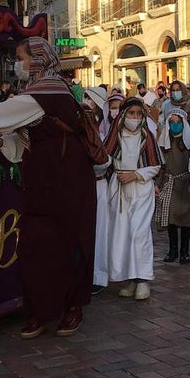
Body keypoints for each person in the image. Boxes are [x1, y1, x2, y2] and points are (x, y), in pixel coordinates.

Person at [0, 36, 96, 338]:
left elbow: (0, 115)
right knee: (36, 243)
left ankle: (72, 307)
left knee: (69, 240)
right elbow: (32, 133)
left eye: (21, 58)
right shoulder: (39, 91)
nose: (17, 64)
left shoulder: (46, 90)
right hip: (43, 176)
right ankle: (40, 309)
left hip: (66, 176)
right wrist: (1, 142)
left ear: (36, 59)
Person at [103, 98, 160, 300]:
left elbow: (155, 165)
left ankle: (143, 279)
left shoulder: (148, 137)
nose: (134, 118)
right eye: (131, 113)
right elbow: (104, 159)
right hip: (118, 190)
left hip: (141, 189)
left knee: (139, 234)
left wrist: (135, 175)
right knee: (122, 235)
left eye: (138, 114)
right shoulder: (114, 136)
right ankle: (129, 279)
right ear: (123, 115)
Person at [82, 87, 112, 294]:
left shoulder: (107, 131)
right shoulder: (80, 128)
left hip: (100, 184)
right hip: (81, 186)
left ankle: (97, 276)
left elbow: (106, 161)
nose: (87, 103)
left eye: (91, 100)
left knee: (100, 231)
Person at [157, 109, 190, 265]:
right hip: (170, 183)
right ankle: (172, 250)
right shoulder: (164, 143)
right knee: (171, 219)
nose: (175, 125)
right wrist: (158, 184)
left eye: (178, 122)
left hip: (186, 184)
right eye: (171, 122)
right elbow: (160, 165)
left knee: (186, 219)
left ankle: (184, 252)